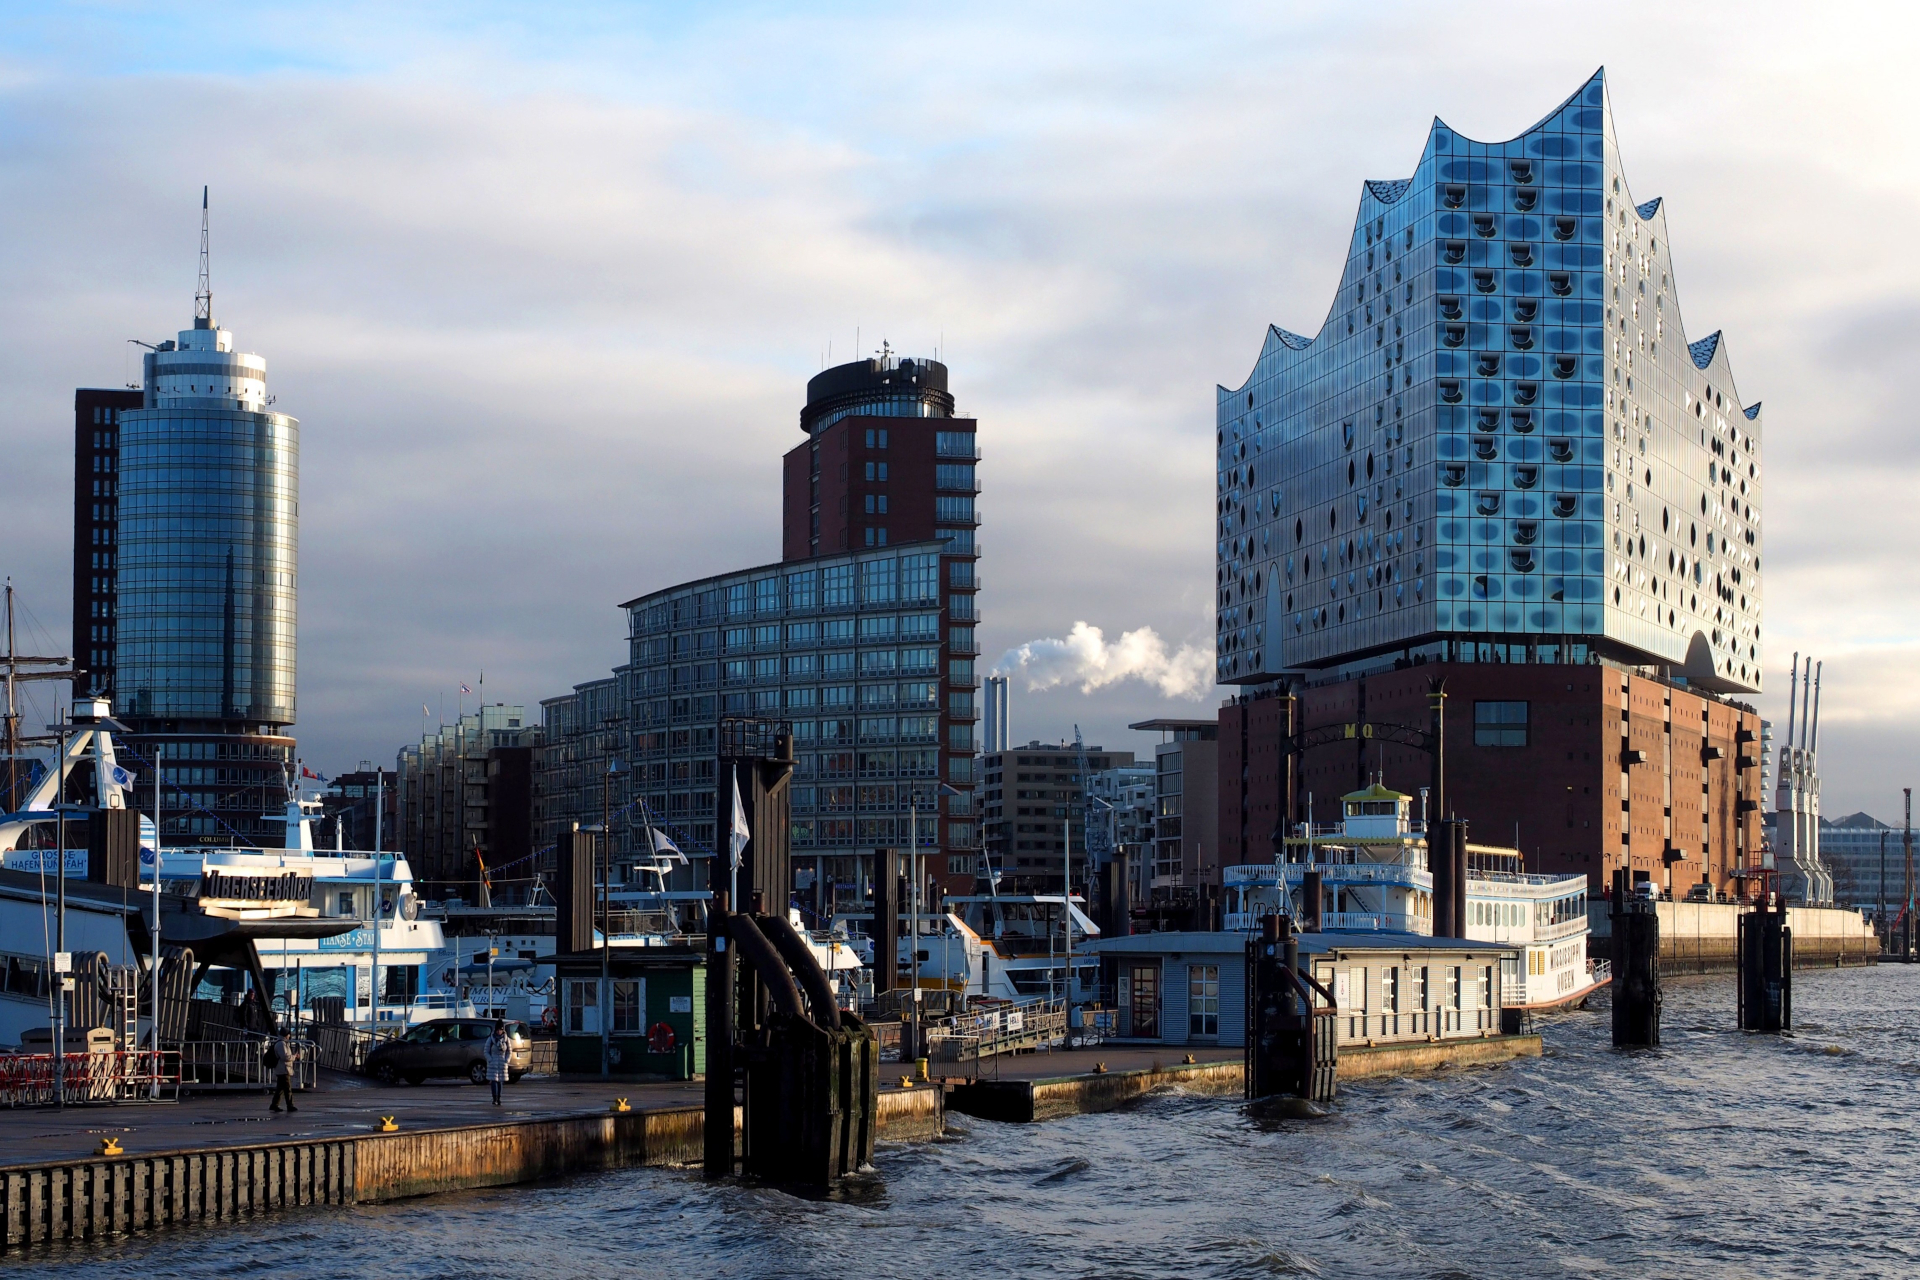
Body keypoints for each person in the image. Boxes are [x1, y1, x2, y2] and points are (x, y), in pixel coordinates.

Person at [267, 1028, 298, 1113]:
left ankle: (274, 1104)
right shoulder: (281, 1044)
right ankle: (290, 1105)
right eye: (289, 1034)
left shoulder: (281, 1043)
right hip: (283, 1069)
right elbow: (285, 1057)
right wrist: (294, 1057)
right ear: (286, 1035)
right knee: (287, 1088)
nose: (289, 1036)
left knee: (280, 1088)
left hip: (282, 1068)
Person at [485, 1021, 510, 1106]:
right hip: (493, 1063)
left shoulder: (506, 1039)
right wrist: (490, 1060)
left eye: (501, 1030)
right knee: (494, 1081)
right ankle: (494, 1098)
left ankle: (499, 1098)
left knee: (500, 1081)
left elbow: (509, 1051)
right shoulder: (491, 1039)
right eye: (498, 1030)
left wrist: (507, 1060)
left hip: (502, 1063)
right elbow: (486, 1051)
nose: (499, 1031)